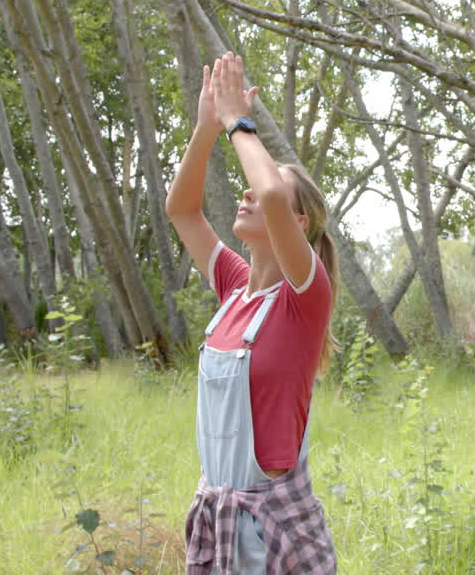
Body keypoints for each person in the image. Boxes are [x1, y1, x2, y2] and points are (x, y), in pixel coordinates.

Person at [166, 52, 338, 574]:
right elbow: (181, 210)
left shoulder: (305, 296)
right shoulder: (233, 288)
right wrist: (205, 128)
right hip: (219, 519)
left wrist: (238, 121)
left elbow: (267, 190)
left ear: (297, 222)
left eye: (271, 194)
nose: (247, 192)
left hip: (275, 531)